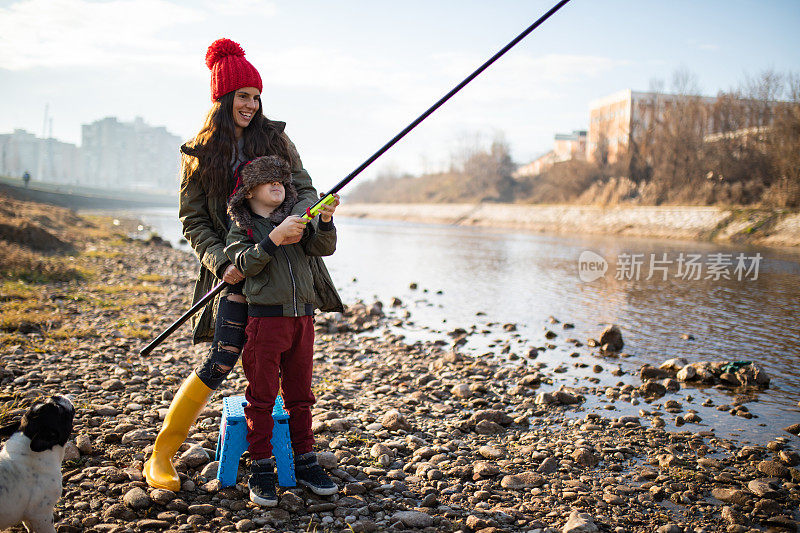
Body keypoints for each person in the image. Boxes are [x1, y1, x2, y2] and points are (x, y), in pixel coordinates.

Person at [143, 37, 343, 491]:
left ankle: (290, 453)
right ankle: (161, 454)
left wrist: (304, 218)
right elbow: (192, 220)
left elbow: (306, 187)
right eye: (243, 96)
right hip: (236, 270)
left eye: (257, 96)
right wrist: (221, 262)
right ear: (222, 97)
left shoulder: (275, 138)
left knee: (293, 370)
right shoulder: (197, 152)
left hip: (285, 265)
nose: (252, 105)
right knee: (222, 359)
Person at [224, 155, 341, 506]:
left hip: (303, 319)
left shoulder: (296, 223)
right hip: (265, 321)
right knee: (260, 397)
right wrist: (273, 238)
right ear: (248, 192)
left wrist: (325, 219)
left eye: (281, 181)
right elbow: (244, 264)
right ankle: (260, 467)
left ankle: (306, 461)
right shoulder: (241, 229)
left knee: (300, 395)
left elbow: (325, 248)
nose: (277, 185)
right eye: (267, 181)